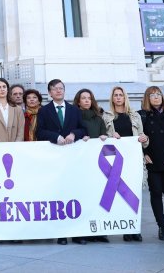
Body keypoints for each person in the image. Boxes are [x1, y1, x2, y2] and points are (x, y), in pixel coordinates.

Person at [36, 79, 85, 245]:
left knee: (75, 195)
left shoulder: (74, 110)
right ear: (49, 92)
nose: (58, 91)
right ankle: (62, 233)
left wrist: (73, 134)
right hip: (54, 159)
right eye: (55, 89)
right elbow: (39, 132)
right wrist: (55, 137)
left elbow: (83, 128)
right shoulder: (44, 111)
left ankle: (78, 233)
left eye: (61, 88)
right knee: (59, 195)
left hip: (73, 159)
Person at [103, 86, 148, 242]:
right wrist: (110, 136)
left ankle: (135, 228)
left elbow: (143, 137)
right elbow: (103, 140)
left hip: (133, 160)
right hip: (116, 161)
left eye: (121, 95)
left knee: (134, 194)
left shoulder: (135, 116)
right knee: (120, 195)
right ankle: (126, 228)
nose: (118, 97)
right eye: (115, 95)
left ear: (125, 97)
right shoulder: (107, 116)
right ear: (112, 98)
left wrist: (145, 139)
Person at [139, 86, 164, 241]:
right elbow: (138, 137)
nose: (156, 97)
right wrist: (144, 154)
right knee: (156, 194)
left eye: (158, 94)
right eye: (152, 95)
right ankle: (161, 227)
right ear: (147, 98)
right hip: (152, 161)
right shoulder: (142, 116)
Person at [73, 88, 109, 244]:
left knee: (97, 195)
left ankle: (98, 231)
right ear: (78, 101)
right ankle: (80, 233)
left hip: (97, 164)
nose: (86, 100)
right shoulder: (74, 117)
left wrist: (104, 137)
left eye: (89, 98)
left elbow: (104, 134)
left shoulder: (98, 118)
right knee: (82, 197)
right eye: (83, 98)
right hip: (80, 164)